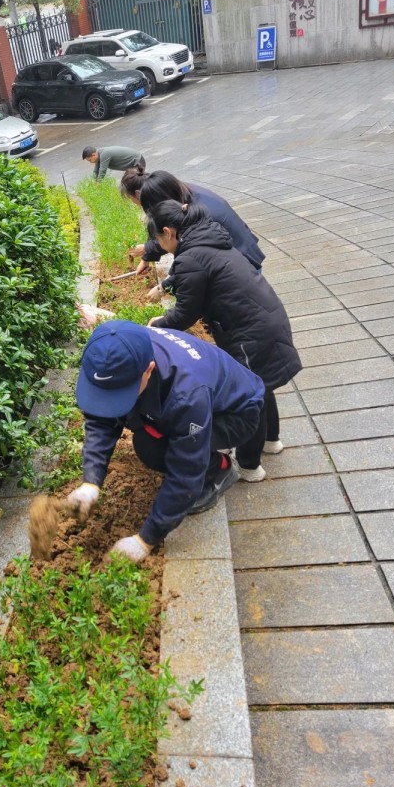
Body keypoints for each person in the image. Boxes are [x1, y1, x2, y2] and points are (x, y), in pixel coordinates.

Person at [67, 320, 265, 563]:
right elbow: (101, 418)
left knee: (152, 448)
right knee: (149, 437)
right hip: (203, 395)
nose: (113, 399)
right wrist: (91, 482)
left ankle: (220, 469)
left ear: (148, 369)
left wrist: (145, 540)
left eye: (122, 392)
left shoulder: (187, 394)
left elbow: (186, 470)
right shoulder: (119, 350)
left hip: (236, 414)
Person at [145, 200, 302, 480]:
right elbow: (194, 277)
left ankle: (250, 466)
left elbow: (185, 313)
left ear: (168, 232)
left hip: (249, 332)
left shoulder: (191, 256)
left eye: (157, 239)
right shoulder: (208, 239)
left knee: (249, 395)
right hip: (265, 318)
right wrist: (166, 287)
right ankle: (271, 441)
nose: (159, 245)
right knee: (262, 384)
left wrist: (156, 325)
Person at [121, 167, 264, 278]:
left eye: (131, 199)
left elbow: (177, 241)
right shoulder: (175, 191)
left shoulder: (190, 214)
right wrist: (147, 257)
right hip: (242, 249)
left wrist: (167, 283)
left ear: (139, 194)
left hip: (241, 260)